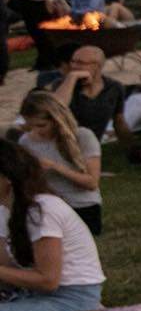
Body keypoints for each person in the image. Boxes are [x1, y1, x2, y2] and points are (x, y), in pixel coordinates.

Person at [0, 140, 105, 311]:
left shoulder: (42, 210)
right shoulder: (5, 210)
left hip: (70, 301)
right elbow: (7, 269)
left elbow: (48, 280)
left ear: (7, 179)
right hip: (32, 295)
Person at [19, 92, 102, 235]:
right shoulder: (26, 141)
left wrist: (54, 167)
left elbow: (92, 183)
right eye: (31, 126)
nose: (37, 131)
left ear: (56, 120)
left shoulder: (82, 136)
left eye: (41, 125)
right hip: (46, 206)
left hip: (81, 205)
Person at [45, 44, 129, 144]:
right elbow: (55, 109)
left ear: (97, 66)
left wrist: (130, 146)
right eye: (73, 61)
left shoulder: (114, 88)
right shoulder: (63, 85)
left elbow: (119, 121)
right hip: (63, 143)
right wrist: (72, 77)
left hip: (90, 145)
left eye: (80, 63)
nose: (74, 66)